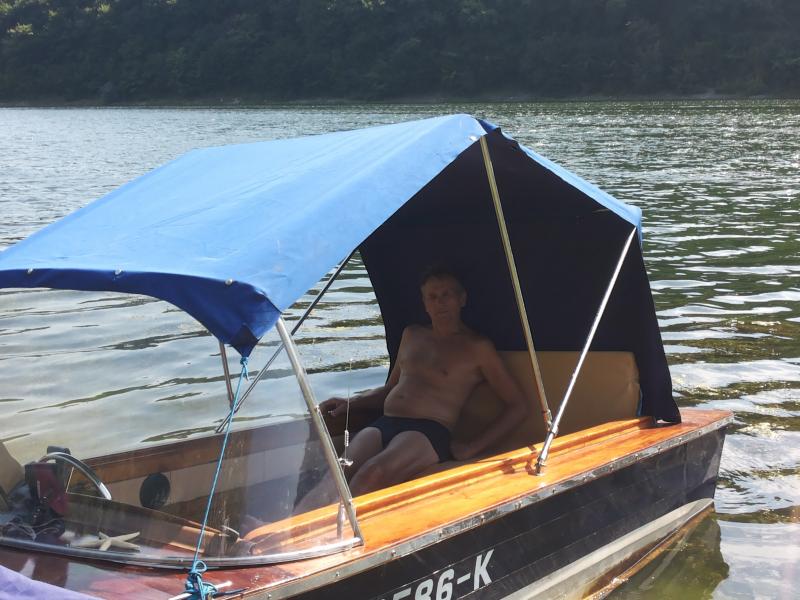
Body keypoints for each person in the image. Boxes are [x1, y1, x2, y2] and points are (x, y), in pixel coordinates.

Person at [319, 266, 528, 497]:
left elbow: (518, 406)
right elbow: (390, 389)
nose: (440, 302)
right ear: (425, 304)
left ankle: (342, 522)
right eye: (432, 297)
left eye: (447, 295)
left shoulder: (478, 348)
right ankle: (304, 520)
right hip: (386, 421)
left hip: (428, 430)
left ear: (462, 299)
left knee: (372, 473)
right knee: (335, 474)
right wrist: (352, 402)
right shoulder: (411, 335)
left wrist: (472, 447)